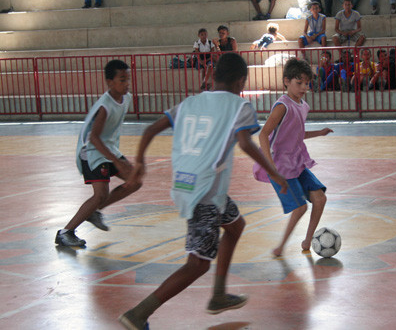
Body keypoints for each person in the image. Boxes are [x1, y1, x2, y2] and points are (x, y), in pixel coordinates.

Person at [118, 53, 288, 330]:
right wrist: (274, 172)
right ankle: (139, 313)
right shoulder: (239, 105)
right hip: (206, 193)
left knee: (235, 226)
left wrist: (140, 164)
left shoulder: (190, 102)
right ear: (241, 81)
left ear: (213, 76)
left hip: (189, 184)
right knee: (197, 264)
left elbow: (149, 130)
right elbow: (245, 144)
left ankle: (219, 294)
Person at [55, 60, 142, 247]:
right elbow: (93, 138)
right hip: (91, 151)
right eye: (122, 80)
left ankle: (93, 211)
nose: (127, 83)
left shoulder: (126, 98)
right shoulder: (105, 106)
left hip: (108, 148)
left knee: (135, 181)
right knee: (100, 194)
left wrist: (115, 157)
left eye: (128, 79)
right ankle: (65, 232)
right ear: (110, 82)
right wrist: (116, 161)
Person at [253, 58, 333, 257]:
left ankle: (307, 241)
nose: (304, 87)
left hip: (296, 161)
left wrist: (319, 133)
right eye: (299, 83)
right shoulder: (282, 106)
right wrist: (271, 168)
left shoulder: (303, 105)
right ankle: (280, 247)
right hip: (280, 165)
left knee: (320, 199)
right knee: (300, 207)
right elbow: (263, 134)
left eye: (307, 83)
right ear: (286, 81)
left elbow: (297, 133)